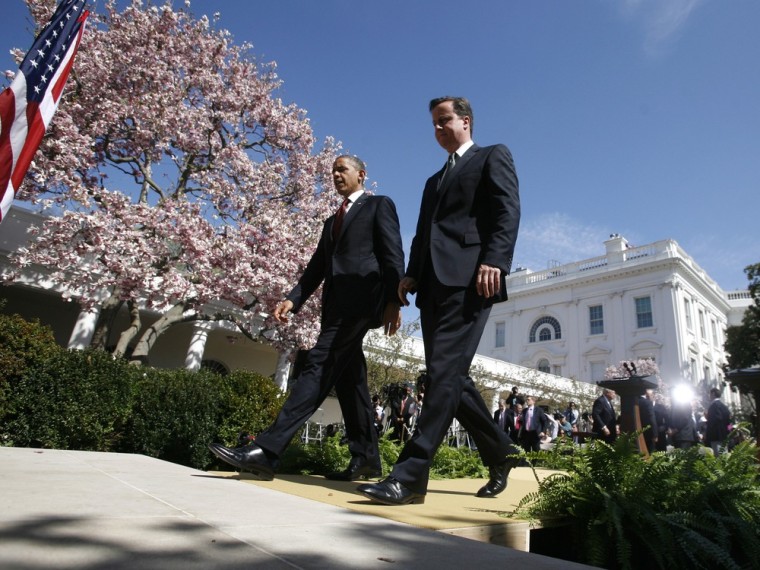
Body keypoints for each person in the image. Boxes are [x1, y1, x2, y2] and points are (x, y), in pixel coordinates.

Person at [357, 96, 521, 506]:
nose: (438, 129)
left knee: (444, 374)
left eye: (444, 120)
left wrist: (495, 261)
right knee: (450, 377)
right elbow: (422, 232)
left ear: (465, 121)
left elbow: (507, 211)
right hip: (432, 285)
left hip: (472, 280)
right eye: (433, 123)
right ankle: (501, 452)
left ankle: (410, 477)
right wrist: (411, 274)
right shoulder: (433, 180)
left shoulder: (491, 156)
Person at [209, 155, 405, 482]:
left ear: (362, 174)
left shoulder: (378, 205)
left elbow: (392, 254)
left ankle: (267, 451)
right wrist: (292, 299)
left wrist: (393, 301)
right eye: (333, 171)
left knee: (319, 364)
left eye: (342, 169)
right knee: (350, 379)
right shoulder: (331, 223)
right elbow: (316, 269)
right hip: (334, 309)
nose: (336, 175)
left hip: (361, 303)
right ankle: (367, 458)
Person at [704, 387, 731, 455]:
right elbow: (729, 421)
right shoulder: (724, 407)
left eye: (709, 394)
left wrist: (707, 418)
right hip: (724, 436)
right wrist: (729, 432)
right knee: (725, 456)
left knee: (718, 457)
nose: (709, 396)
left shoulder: (714, 406)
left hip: (715, 436)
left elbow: (715, 420)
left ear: (713, 394)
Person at [638, 389, 658, 454]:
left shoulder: (634, 401)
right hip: (648, 433)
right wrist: (655, 434)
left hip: (636, 432)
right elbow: (652, 418)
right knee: (650, 453)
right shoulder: (648, 402)